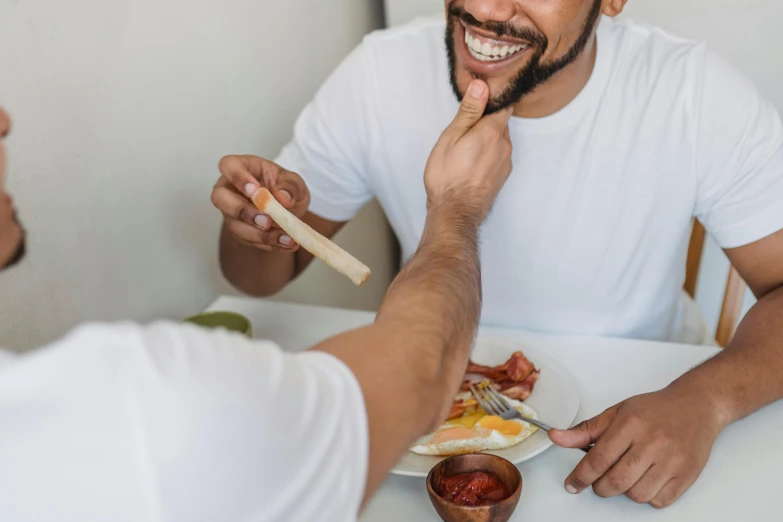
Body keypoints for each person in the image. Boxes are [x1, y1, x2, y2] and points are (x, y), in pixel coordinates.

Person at [210, 0, 783, 509]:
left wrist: (705, 402)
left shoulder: (694, 91)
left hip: (634, 416)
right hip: (432, 432)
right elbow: (259, 279)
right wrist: (254, 228)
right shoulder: (377, 75)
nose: (484, 10)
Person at [0, 88, 512, 521]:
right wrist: (457, 206)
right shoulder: (146, 405)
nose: (4, 121)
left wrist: (263, 226)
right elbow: (422, 368)